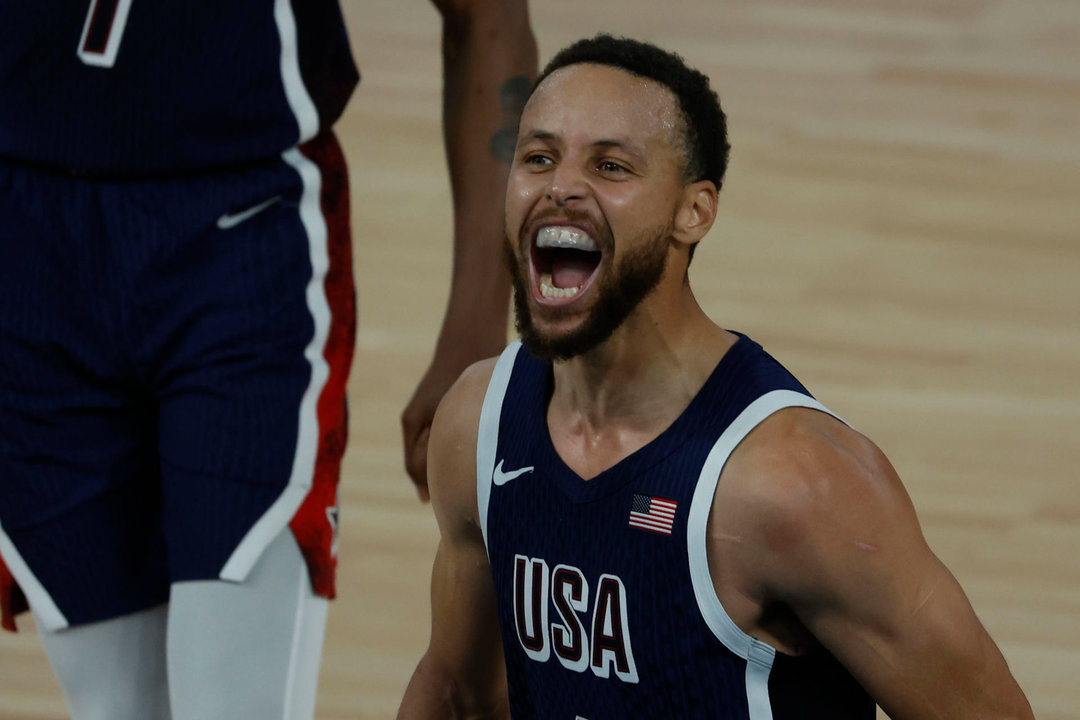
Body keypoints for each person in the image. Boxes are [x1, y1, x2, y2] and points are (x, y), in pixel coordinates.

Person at [397, 34, 1034, 719]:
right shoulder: (478, 425)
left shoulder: (796, 486)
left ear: (693, 212)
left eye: (611, 166)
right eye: (539, 158)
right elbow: (456, 692)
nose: (561, 188)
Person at [0, 1, 535, 718]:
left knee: (235, 705)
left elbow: (487, 17)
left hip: (243, 238)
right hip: (27, 252)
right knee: (115, 709)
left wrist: (473, 332)